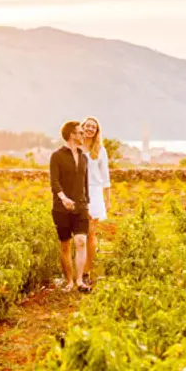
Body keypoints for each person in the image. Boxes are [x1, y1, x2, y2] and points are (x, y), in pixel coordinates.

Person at [49, 120, 92, 293]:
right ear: (72, 135)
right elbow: (54, 182)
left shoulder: (84, 157)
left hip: (81, 206)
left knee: (81, 241)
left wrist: (87, 204)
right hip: (61, 208)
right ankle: (69, 281)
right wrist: (63, 198)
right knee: (65, 245)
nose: (83, 135)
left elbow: (85, 183)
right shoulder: (57, 156)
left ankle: (80, 281)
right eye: (80, 132)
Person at [81, 116, 111, 280]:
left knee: (90, 233)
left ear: (96, 131)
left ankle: (87, 270)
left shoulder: (100, 150)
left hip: (94, 192)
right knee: (79, 234)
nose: (90, 129)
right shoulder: (76, 147)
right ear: (83, 127)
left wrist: (107, 199)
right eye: (88, 126)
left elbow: (105, 177)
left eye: (94, 127)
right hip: (77, 192)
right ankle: (79, 267)